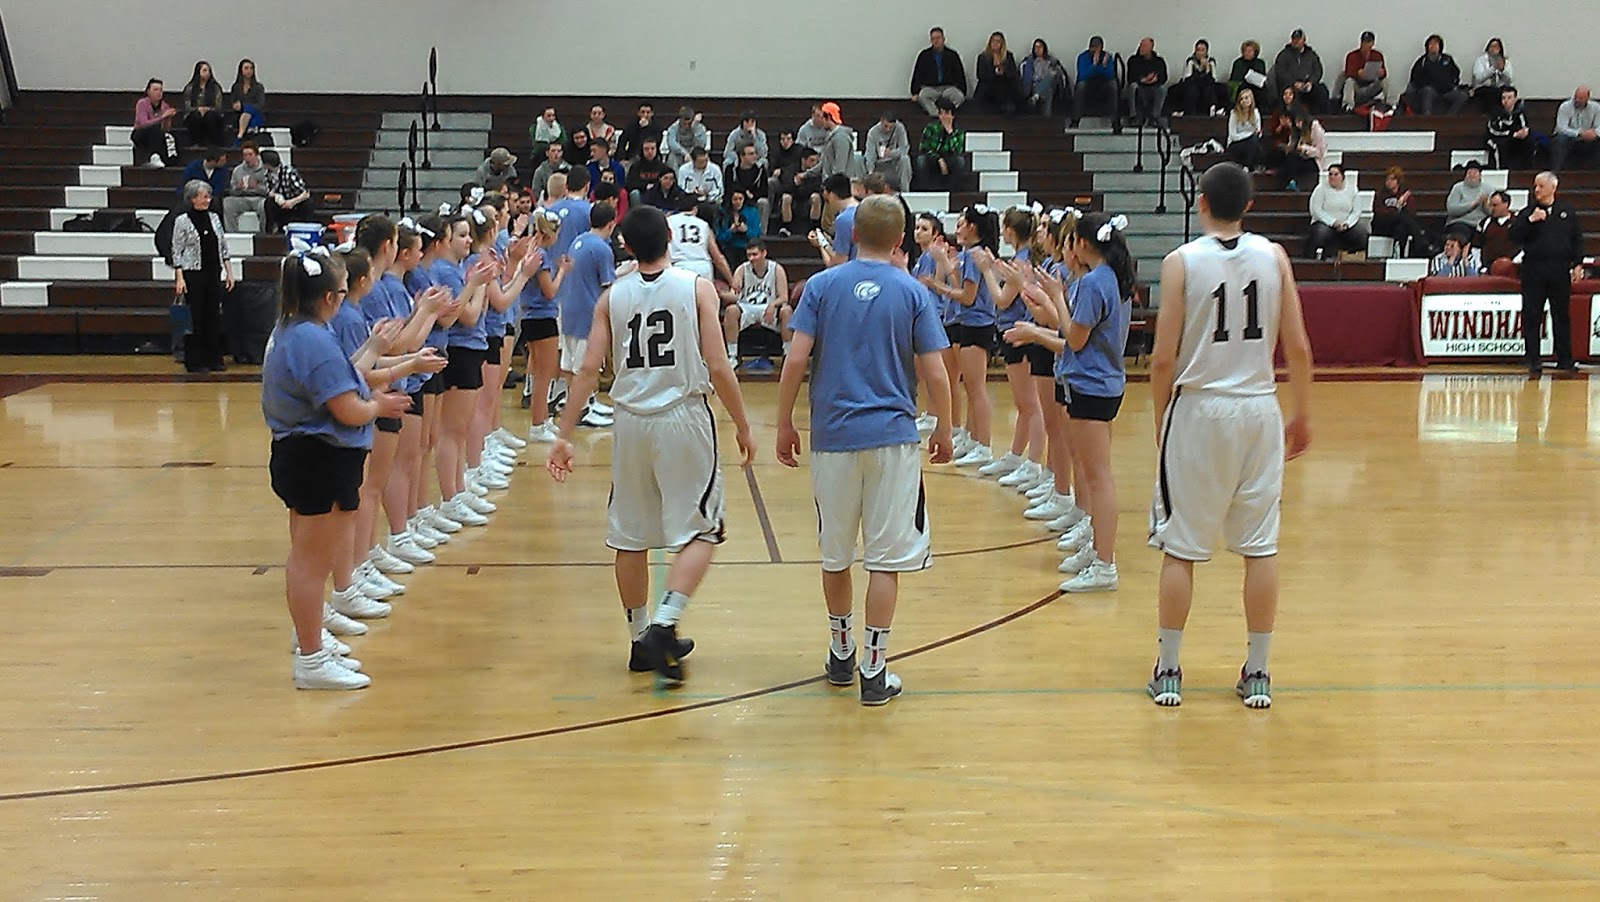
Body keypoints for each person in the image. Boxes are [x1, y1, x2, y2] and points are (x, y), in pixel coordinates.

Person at [547, 206, 755, 686]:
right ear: (669, 238)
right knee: (704, 530)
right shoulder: (696, 287)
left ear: (625, 247)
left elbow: (586, 371)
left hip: (630, 422)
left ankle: (640, 639)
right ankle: (664, 623)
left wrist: (564, 434)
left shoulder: (611, 297)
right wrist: (743, 424)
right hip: (682, 416)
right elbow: (719, 366)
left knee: (631, 536)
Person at [1146, 160, 1314, 709]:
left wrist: (1158, 422)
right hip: (1259, 408)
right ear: (1249, 206)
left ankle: (1170, 669)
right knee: (1260, 546)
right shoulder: (1275, 256)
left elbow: (1162, 358)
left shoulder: (1180, 263)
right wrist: (1303, 414)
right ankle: (1259, 672)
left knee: (1182, 547)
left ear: (1200, 203)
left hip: (1199, 409)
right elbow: (1300, 346)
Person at [776, 194, 955, 706]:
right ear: (901, 240)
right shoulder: (912, 291)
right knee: (885, 559)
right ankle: (874, 672)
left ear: (852, 237)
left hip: (832, 437)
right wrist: (944, 427)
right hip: (892, 439)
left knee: (835, 553)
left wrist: (786, 421)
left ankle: (839, 652)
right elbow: (936, 370)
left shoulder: (821, 287)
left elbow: (794, 361)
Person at [264, 249, 414, 690]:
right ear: (329, 297)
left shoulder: (297, 329)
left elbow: (342, 375)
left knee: (308, 558)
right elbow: (347, 407)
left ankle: (309, 635)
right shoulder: (310, 339)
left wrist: (374, 350)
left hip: (307, 455)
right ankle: (311, 658)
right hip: (318, 457)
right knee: (312, 562)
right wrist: (378, 406)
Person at [1051, 212, 1135, 593]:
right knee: (1091, 471)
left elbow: (1076, 338)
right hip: (1102, 383)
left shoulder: (1092, 283)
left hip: (1092, 385)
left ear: (1083, 245)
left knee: (1098, 477)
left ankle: (1105, 564)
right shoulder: (1111, 278)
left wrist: (1056, 300)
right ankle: (1097, 548)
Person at [927, 205, 999, 467]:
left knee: (976, 388)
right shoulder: (970, 254)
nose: (956, 229)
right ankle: (972, 437)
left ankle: (984, 444)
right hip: (971, 322)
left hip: (976, 323)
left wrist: (938, 286)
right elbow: (963, 288)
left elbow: (967, 297)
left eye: (961, 224)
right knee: (971, 387)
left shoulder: (975, 254)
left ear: (972, 227)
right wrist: (947, 268)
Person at [1509, 172, 1585, 375]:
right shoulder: (1528, 212)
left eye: (1541, 186)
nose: (1537, 190)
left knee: (1561, 315)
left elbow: (1577, 238)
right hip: (1534, 271)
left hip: (1559, 270)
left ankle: (1565, 359)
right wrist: (1530, 221)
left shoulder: (1566, 211)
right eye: (1535, 186)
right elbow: (1514, 236)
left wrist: (1578, 264)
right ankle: (1533, 360)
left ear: (1553, 187)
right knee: (1532, 315)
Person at [171, 180, 234, 373]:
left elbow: (223, 246)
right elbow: (177, 250)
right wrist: (179, 277)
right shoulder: (182, 220)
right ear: (192, 199)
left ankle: (214, 358)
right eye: (204, 196)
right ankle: (195, 360)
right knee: (196, 317)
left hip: (213, 271)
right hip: (193, 274)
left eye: (209, 196)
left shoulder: (214, 218)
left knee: (212, 315)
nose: (208, 200)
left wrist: (229, 271)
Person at [719, 236, 791, 369]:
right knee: (730, 310)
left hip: (769, 308)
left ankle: (788, 354)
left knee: (786, 310)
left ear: (764, 253)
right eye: (749, 255)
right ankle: (732, 356)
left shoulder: (776, 269)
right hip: (747, 308)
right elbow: (734, 297)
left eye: (755, 254)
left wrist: (773, 305)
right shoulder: (742, 269)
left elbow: (784, 297)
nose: (751, 258)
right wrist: (721, 293)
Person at [1306, 164, 1368, 259]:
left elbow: (1356, 211)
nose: (1332, 177)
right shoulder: (1320, 189)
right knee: (1321, 232)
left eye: (1336, 174)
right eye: (1330, 174)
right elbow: (1316, 210)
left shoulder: (1353, 190)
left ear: (1342, 176)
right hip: (1325, 223)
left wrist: (1347, 223)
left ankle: (1351, 257)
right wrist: (1333, 222)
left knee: (1361, 233)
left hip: (1345, 225)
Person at [669, 201, 735, 285]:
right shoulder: (703, 224)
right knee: (704, 297)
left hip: (679, 267)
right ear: (695, 209)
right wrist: (732, 281)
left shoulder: (669, 221)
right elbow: (718, 258)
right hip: (703, 267)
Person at [1372, 166, 1431, 258]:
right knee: (1402, 217)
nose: (1389, 182)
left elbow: (1412, 213)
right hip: (1382, 225)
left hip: (1397, 226)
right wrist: (1397, 207)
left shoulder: (1405, 195)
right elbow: (1379, 213)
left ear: (1398, 181)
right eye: (1387, 179)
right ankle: (1421, 242)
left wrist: (1402, 206)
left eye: (1392, 179)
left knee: (1402, 227)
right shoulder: (1380, 194)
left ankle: (1399, 254)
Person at [1403, 35, 1467, 116]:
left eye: (1436, 44)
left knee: (1462, 96)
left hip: (1447, 91)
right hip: (1431, 91)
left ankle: (1448, 118)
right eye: (1431, 44)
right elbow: (1415, 78)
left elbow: (1456, 73)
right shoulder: (1422, 61)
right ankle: (1427, 119)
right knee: (1427, 91)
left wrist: (1454, 84)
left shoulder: (1447, 59)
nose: (1433, 46)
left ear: (1440, 46)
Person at [910, 27, 968, 116]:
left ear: (943, 39)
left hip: (948, 88)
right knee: (923, 96)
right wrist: (915, 92)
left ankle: (948, 112)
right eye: (933, 39)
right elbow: (917, 74)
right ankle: (936, 115)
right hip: (931, 88)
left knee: (959, 97)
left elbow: (960, 74)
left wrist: (963, 91)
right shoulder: (924, 55)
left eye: (938, 38)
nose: (936, 41)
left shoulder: (952, 55)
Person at [1270, 29, 1329, 114]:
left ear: (1304, 40)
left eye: (1298, 39)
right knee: (1288, 92)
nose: (1296, 41)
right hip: (1291, 86)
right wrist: (1293, 83)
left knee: (1321, 90)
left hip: (1307, 85)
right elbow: (1280, 72)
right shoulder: (1283, 55)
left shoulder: (1311, 55)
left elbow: (1318, 70)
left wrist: (1311, 82)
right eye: (1294, 39)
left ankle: (1321, 116)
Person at [915, 100, 966, 190]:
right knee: (921, 160)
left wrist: (950, 132)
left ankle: (952, 191)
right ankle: (926, 190)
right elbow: (924, 148)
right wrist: (939, 159)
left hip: (949, 157)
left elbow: (957, 151)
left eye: (946, 113)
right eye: (941, 113)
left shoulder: (958, 132)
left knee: (960, 161)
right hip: (933, 157)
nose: (943, 116)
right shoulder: (931, 127)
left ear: (952, 116)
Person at [1334, 31, 1389, 111]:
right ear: (1361, 42)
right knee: (1349, 81)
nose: (1366, 45)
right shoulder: (1352, 55)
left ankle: (1391, 104)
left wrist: (1382, 73)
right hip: (1357, 87)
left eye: (1369, 42)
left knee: (1385, 81)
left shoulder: (1377, 55)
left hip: (1371, 85)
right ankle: (1348, 105)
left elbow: (1384, 74)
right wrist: (1357, 73)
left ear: (1373, 43)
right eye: (1365, 42)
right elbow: (1347, 73)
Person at [864, 112, 912, 203]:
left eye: (891, 127)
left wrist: (891, 153)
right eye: (886, 126)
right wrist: (870, 172)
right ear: (881, 121)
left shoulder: (900, 128)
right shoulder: (873, 132)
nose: (888, 129)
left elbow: (905, 148)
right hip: (880, 165)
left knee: (905, 159)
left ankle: (905, 192)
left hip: (895, 163)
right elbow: (870, 154)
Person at [811, 173, 858, 267]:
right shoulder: (865, 210)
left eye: (827, 200)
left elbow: (838, 263)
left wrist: (822, 245)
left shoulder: (843, 219)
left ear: (831, 195)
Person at [224, 139, 270, 233]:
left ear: (257, 155)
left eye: (250, 155)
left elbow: (269, 190)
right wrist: (238, 187)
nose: (247, 158)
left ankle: (265, 232)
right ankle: (231, 233)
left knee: (264, 205)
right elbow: (231, 191)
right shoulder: (238, 170)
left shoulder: (265, 169)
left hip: (259, 198)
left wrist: (257, 187)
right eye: (245, 155)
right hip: (243, 198)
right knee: (228, 202)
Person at [1071, 36, 1118, 127]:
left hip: (1102, 84)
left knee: (1113, 85)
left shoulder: (1107, 57)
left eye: (1097, 47)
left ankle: (1115, 120)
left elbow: (1110, 74)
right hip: (1088, 84)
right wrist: (1094, 65)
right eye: (1093, 47)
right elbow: (1082, 75)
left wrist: (1103, 66)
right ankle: (1075, 120)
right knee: (1081, 86)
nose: (1095, 49)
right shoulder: (1083, 57)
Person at [1550, 86, 1600, 173]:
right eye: (1575, 97)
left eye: (1580, 98)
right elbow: (1561, 128)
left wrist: (1595, 133)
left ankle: (1595, 173)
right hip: (1569, 137)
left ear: (1587, 98)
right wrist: (1580, 133)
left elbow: (1599, 125)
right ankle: (1557, 171)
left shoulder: (1596, 108)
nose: (1577, 100)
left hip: (1589, 138)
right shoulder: (1565, 106)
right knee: (1560, 140)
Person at [1486, 87, 1535, 171]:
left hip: (1513, 137)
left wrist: (1524, 132)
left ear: (1515, 99)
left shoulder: (1520, 111)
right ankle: (1500, 170)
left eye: (1509, 98)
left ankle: (1526, 170)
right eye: (1503, 98)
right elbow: (1493, 130)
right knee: (1499, 146)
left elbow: (1525, 126)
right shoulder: (1496, 112)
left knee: (1529, 141)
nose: (1506, 100)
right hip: (1496, 137)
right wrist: (1512, 134)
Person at [132, 78, 178, 167]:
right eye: (155, 90)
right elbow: (144, 123)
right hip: (140, 132)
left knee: (168, 135)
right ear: (148, 91)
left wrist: (168, 118)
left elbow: (165, 129)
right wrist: (162, 117)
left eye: (161, 90)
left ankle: (170, 160)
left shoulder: (164, 105)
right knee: (154, 129)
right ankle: (154, 156)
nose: (159, 92)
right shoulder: (142, 103)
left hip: (157, 133)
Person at [1124, 38, 1169, 128]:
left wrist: (1155, 79)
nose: (1141, 48)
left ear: (1151, 48)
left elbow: (1164, 77)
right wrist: (1142, 80)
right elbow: (1130, 78)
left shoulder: (1159, 61)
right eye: (1141, 45)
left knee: (1162, 89)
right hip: (1140, 87)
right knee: (1132, 87)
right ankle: (1134, 116)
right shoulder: (1133, 60)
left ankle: (1155, 117)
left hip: (1153, 87)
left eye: (1144, 46)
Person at [1173, 39, 1226, 117]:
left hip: (1207, 85)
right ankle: (1188, 113)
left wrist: (1207, 70)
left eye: (1203, 50)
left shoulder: (1211, 61)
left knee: (1216, 88)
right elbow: (1188, 79)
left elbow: (1213, 79)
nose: (1200, 53)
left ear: (1206, 52)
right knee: (1191, 90)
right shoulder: (1190, 61)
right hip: (1193, 84)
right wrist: (1200, 69)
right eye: (1198, 50)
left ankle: (1214, 108)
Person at [974, 32, 1022, 115]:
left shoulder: (1008, 56)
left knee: (1004, 84)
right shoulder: (983, 57)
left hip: (1004, 86)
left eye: (998, 41)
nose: (995, 43)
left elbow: (1013, 73)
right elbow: (980, 75)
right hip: (988, 85)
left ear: (1002, 44)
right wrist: (994, 72)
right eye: (993, 41)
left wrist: (1003, 72)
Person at [181, 60, 227, 147]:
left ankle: (213, 144)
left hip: (212, 113)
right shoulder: (190, 87)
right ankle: (195, 143)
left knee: (210, 117)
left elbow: (218, 106)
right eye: (204, 70)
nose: (207, 73)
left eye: (209, 71)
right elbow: (187, 105)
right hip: (195, 113)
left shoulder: (215, 87)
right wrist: (197, 109)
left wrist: (208, 109)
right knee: (195, 117)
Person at [1475, 190, 1520, 276]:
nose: (1491, 209)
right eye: (1490, 205)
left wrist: (1514, 263)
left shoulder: (1518, 222)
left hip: (1512, 270)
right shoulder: (1484, 223)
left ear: (1506, 204)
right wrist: (1480, 267)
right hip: (1488, 271)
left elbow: (1525, 245)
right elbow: (1476, 247)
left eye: (1495, 205)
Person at [1021, 38, 1067, 117]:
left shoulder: (1051, 61)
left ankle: (1036, 96)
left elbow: (1059, 75)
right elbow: (1030, 78)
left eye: (1040, 47)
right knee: (1048, 92)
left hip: (1050, 84)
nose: (1038, 49)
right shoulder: (1030, 61)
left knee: (1052, 75)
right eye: (1036, 47)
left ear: (1044, 48)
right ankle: (1046, 121)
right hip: (1036, 84)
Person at [1471, 38, 1515, 113]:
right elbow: (1478, 78)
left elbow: (1509, 80)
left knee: (1507, 93)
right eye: (1491, 46)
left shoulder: (1505, 61)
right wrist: (1493, 68)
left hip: (1499, 87)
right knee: (1493, 93)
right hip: (1483, 87)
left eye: (1496, 47)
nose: (1493, 49)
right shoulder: (1481, 60)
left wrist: (1502, 70)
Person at [227, 59, 266, 142]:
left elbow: (260, 104)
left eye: (251, 68)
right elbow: (233, 102)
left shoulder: (258, 87)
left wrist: (244, 106)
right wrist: (237, 106)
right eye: (246, 68)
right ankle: (242, 133)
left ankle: (240, 134)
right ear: (241, 70)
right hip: (239, 114)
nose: (249, 71)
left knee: (248, 110)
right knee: (245, 112)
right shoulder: (236, 87)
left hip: (255, 114)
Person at [1224, 89, 1264, 170]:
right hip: (1235, 143)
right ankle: (1249, 166)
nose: (1244, 101)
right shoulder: (1234, 113)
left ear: (1251, 99)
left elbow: (1258, 132)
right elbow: (1233, 135)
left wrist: (1257, 133)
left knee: (1255, 143)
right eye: (1241, 99)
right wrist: (1249, 134)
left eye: (1246, 98)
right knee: (1253, 142)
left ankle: (1247, 167)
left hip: (1250, 143)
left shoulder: (1255, 113)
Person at [1446, 161, 1491, 229]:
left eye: (1475, 173)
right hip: (1460, 222)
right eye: (1469, 173)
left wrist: (1485, 205)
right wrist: (1473, 204)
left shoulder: (1488, 189)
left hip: (1481, 223)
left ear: (1480, 175)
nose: (1472, 175)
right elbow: (1452, 210)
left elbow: (1492, 212)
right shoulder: (1457, 187)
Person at [662, 107, 710, 172]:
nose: (687, 126)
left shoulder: (699, 127)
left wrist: (695, 128)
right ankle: (676, 179)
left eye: (689, 123)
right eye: (684, 124)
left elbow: (701, 145)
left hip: (694, 151)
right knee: (672, 157)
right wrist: (685, 153)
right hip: (680, 152)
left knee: (702, 158)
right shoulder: (673, 128)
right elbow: (672, 143)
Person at [1228, 40, 1269, 111]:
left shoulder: (1260, 63)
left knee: (1262, 92)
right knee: (1244, 90)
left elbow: (1262, 77)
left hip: (1256, 87)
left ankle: (1262, 112)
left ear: (1255, 53)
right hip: (1242, 86)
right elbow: (1234, 79)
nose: (1247, 53)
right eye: (1245, 51)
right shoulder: (1238, 63)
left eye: (1250, 51)